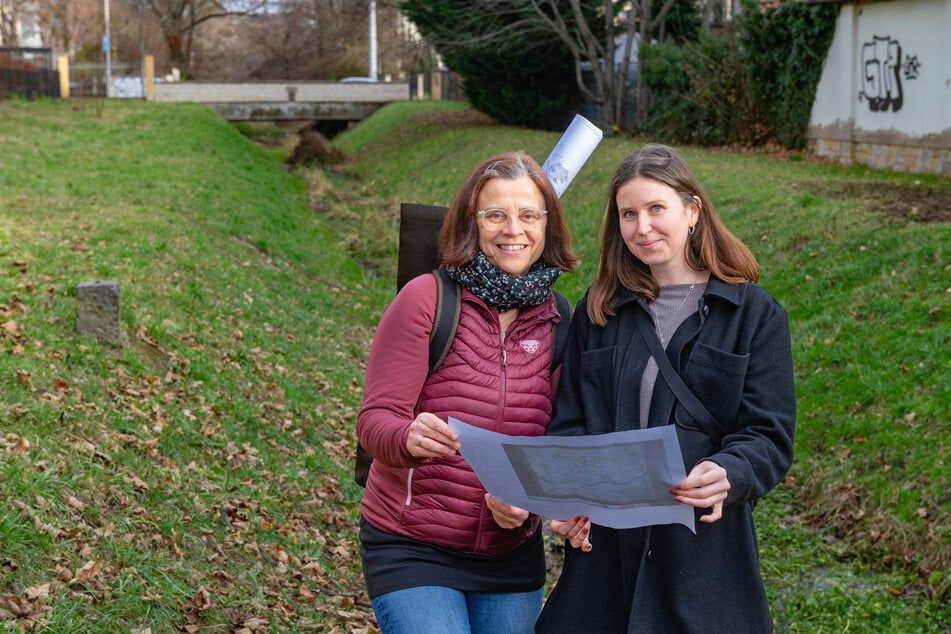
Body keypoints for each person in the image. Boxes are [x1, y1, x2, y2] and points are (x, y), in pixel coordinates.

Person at [535, 144, 796, 633]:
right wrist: (570, 498)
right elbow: (570, 420)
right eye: (628, 214)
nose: (642, 227)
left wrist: (729, 470)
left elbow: (769, 433)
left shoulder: (752, 315)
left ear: (692, 210)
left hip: (702, 557)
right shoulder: (601, 309)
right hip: (605, 558)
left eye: (656, 208)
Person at [357, 151, 579, 634]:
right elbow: (375, 422)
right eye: (495, 214)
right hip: (413, 544)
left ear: (548, 225)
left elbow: (559, 441)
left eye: (528, 215)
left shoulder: (561, 319)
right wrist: (406, 437)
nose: (512, 230)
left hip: (510, 555)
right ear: (471, 223)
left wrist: (530, 503)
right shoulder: (426, 298)